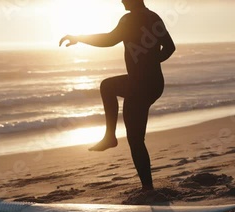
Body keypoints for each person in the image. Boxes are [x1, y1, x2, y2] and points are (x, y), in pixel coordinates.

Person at [59, 0, 175, 191]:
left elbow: (109, 39)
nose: (121, 1)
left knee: (133, 135)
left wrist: (79, 38)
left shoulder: (129, 19)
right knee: (112, 92)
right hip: (154, 83)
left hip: (139, 85)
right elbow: (170, 47)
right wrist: (153, 62)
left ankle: (113, 141)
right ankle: (112, 140)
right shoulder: (154, 17)